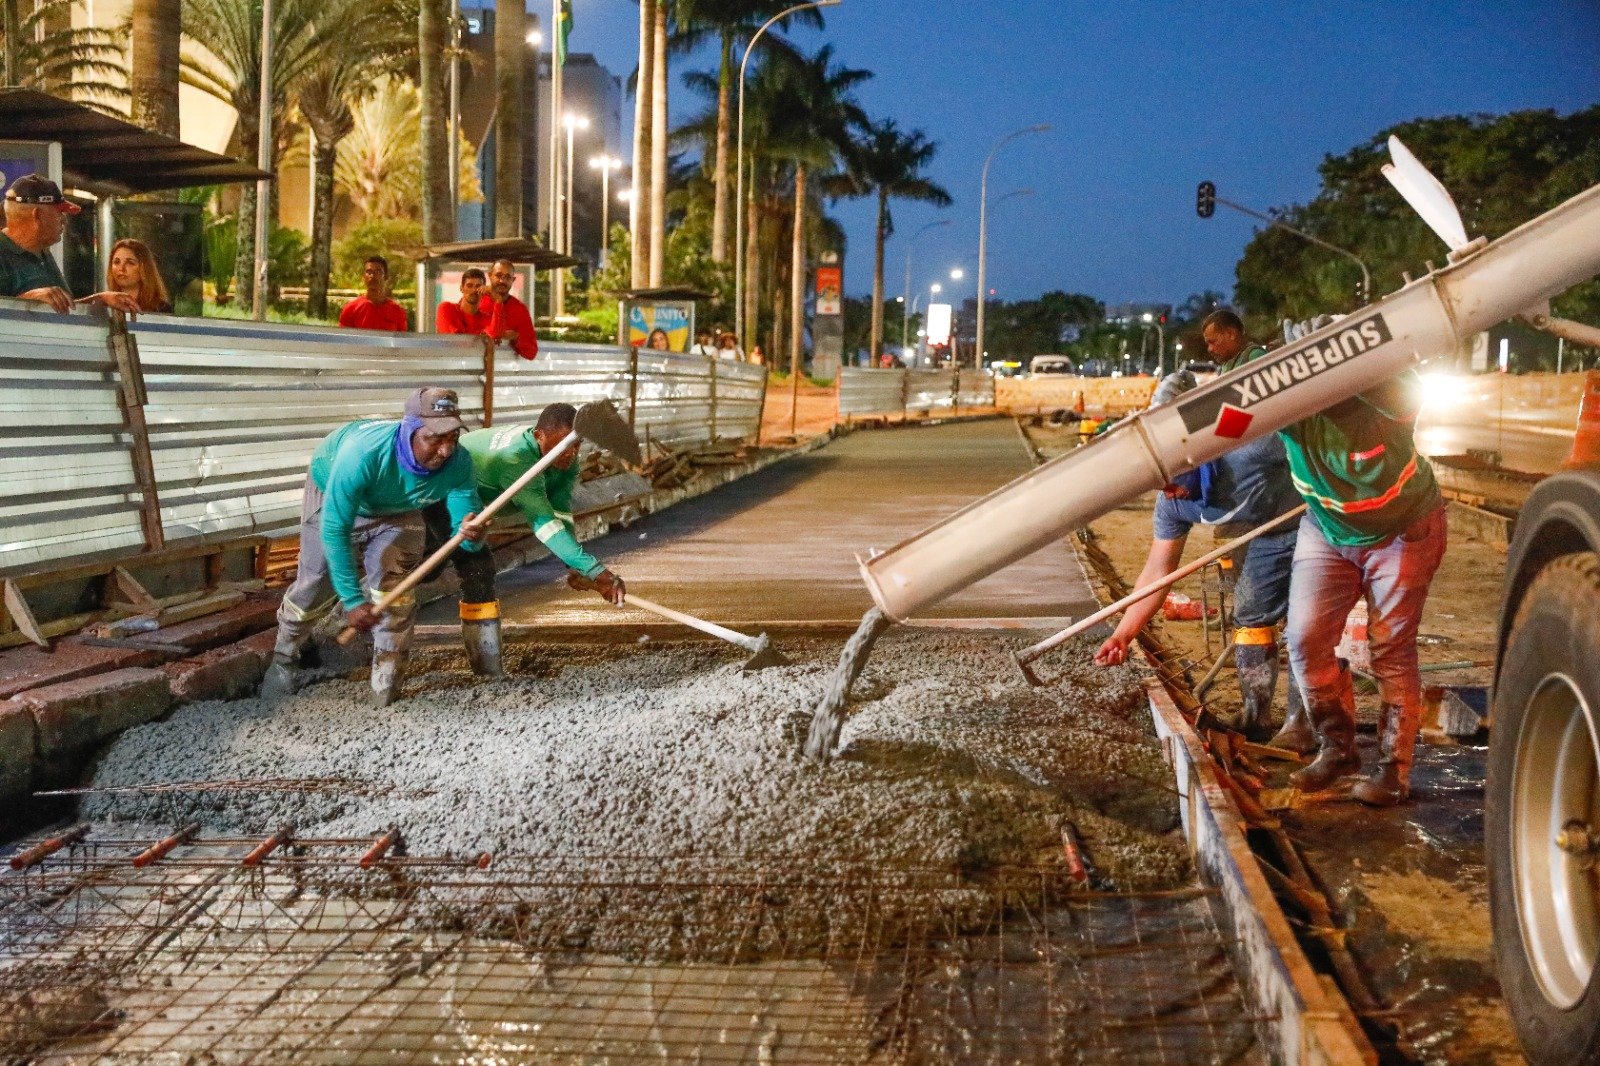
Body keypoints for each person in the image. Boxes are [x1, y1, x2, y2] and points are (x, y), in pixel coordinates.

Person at [1093, 360, 1308, 745]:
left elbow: (1314, 439)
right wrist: (1124, 635)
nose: (1166, 491)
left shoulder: (1249, 446)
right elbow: (1158, 573)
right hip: (1258, 532)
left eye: (1171, 480)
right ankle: (1255, 715)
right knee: (1251, 614)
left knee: (1307, 623)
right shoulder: (1172, 502)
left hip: (1309, 520)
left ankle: (1302, 723)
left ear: (1194, 453)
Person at [1274, 347, 1447, 806]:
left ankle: (1393, 770)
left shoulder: (1390, 404)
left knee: (1390, 648)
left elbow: (1402, 393)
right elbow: (1230, 410)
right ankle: (1338, 749)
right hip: (1326, 528)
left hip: (1402, 531)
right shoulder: (1293, 411)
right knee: (1305, 637)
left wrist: (1358, 360)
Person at [261, 387, 487, 707]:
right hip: (333, 494)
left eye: (452, 437)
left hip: (397, 508)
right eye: (435, 438)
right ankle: (284, 658)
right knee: (316, 584)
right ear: (409, 430)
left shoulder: (459, 463)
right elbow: (336, 529)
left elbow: (464, 528)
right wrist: (353, 600)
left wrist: (473, 535)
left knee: (393, 587)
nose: (446, 450)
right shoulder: (362, 454)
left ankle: (387, 675)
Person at [422, 402, 627, 677]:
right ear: (539, 435)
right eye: (564, 446)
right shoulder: (516, 459)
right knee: (428, 565)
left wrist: (573, 566)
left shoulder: (565, 457)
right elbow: (543, 523)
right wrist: (594, 569)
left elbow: (559, 511)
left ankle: (487, 672)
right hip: (442, 491)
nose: (572, 454)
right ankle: (360, 604)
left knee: (478, 570)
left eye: (577, 445)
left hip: (471, 502)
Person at [0, 174, 138, 314]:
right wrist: (26, 301)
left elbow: (60, 311)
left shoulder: (42, 254)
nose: (64, 220)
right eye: (59, 212)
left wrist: (99, 299)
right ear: (37, 215)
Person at [484, 258, 538, 360]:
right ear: (490, 275)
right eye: (498, 275)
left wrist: (516, 338)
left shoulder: (519, 309)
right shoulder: (478, 301)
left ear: (513, 280)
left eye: (508, 277)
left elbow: (531, 353)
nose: (502, 281)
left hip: (502, 370)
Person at [339, 256, 408, 331]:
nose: (372, 275)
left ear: (386, 276)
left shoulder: (397, 311)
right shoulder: (351, 309)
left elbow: (401, 341)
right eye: (369, 272)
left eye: (378, 272)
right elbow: (343, 340)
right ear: (364, 277)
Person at [106, 238, 172, 313]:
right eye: (116, 262)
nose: (121, 268)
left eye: (130, 263)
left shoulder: (160, 308)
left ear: (144, 268)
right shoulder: (104, 305)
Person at [436, 268, 492, 335]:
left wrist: (496, 298)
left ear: (484, 290)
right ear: (461, 288)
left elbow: (497, 337)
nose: (474, 290)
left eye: (478, 286)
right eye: (469, 286)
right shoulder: (447, 308)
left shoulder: (487, 318)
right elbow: (451, 339)